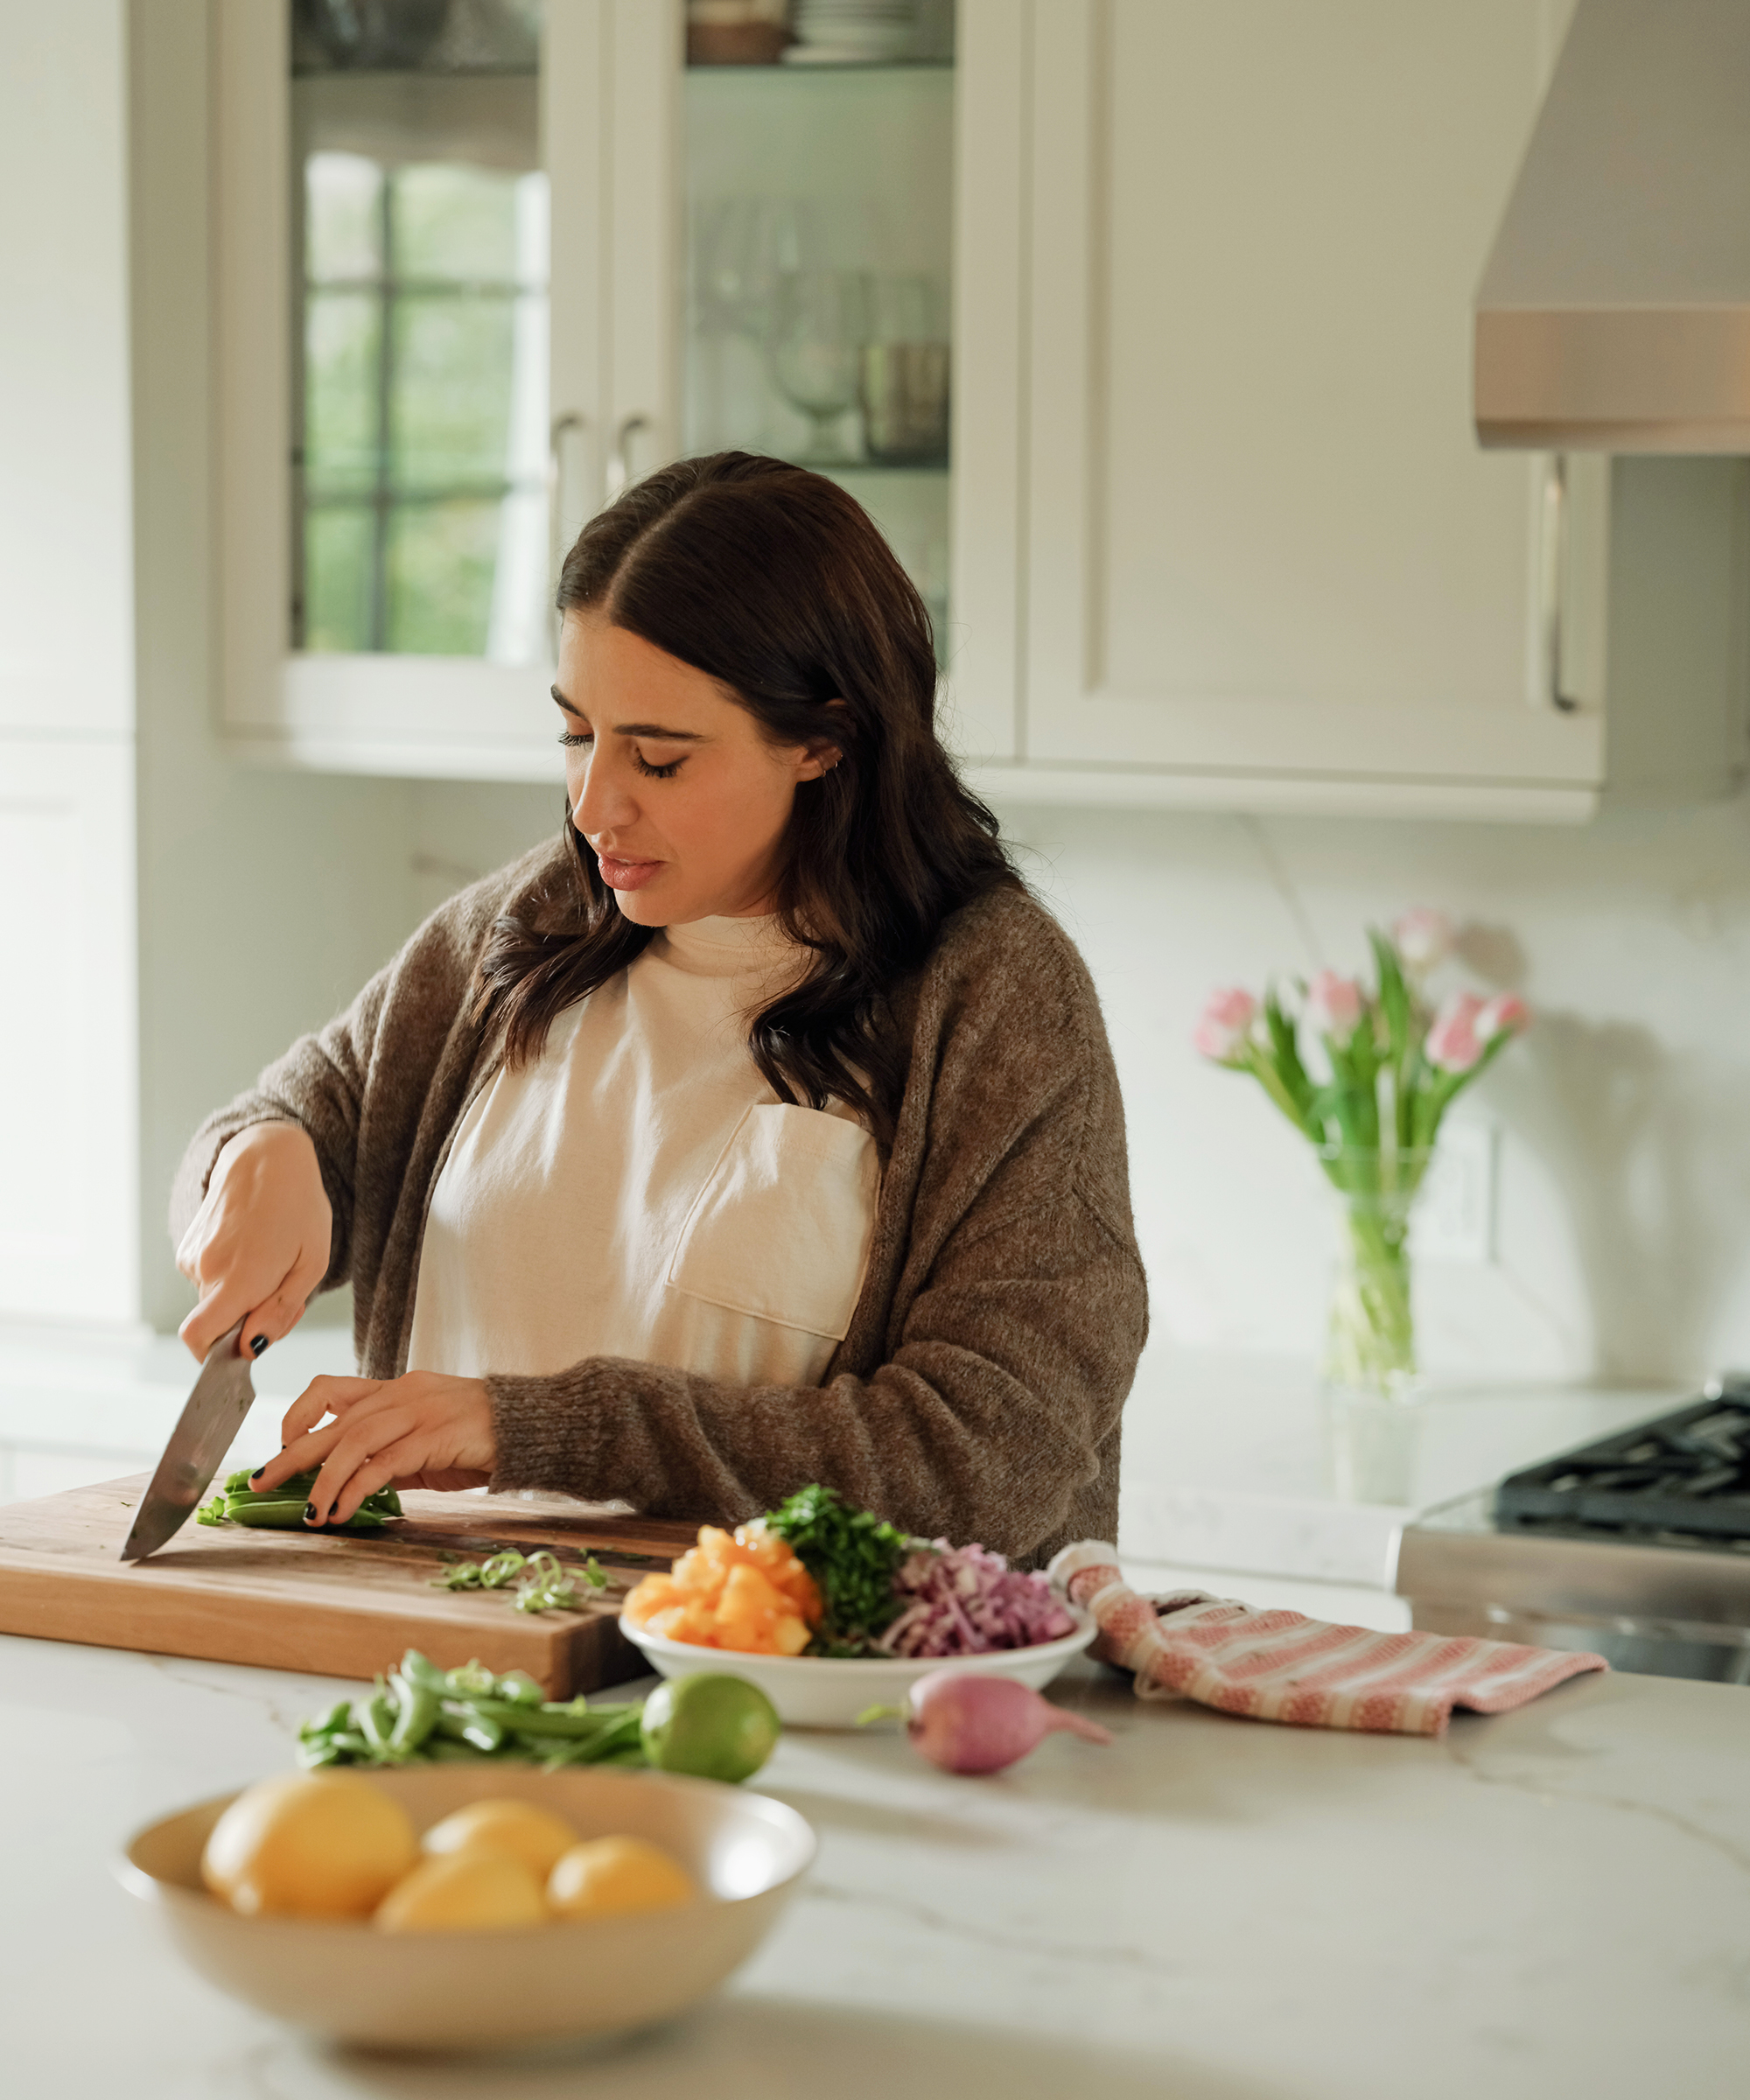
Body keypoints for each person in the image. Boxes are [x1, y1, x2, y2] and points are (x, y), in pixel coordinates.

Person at [172, 452, 1146, 1565]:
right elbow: (303, 1118)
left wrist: (530, 1429)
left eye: (661, 758)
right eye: (577, 734)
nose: (593, 807)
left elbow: (990, 1459)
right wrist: (259, 1153)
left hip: (805, 1713)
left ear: (824, 740)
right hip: (460, 1672)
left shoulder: (994, 997)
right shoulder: (532, 919)